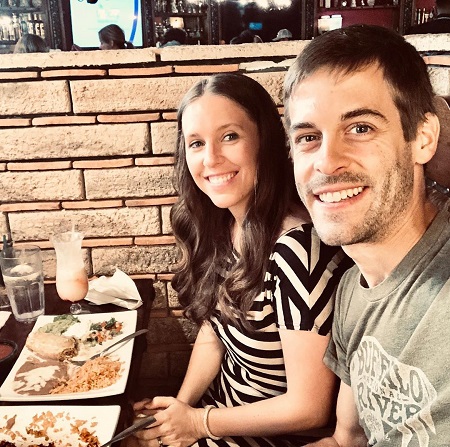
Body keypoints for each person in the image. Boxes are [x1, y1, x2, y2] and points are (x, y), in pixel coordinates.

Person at [129, 73, 353, 447]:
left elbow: (309, 407)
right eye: (197, 143)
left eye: (229, 136)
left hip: (266, 436)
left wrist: (199, 423)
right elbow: (215, 332)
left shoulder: (296, 251)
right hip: (218, 414)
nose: (211, 158)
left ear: (264, 141)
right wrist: (177, 412)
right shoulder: (224, 224)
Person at [283, 24, 450, 446]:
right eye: (308, 137)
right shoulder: (351, 294)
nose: (327, 162)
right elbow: (346, 440)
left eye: (360, 128)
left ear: (423, 138)